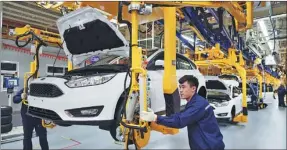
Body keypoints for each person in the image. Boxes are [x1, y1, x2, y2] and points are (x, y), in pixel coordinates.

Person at [140, 75, 225, 150]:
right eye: (180, 87)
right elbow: (180, 116)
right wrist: (156, 116)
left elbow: (180, 121)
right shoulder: (194, 101)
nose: (180, 90)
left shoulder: (199, 105)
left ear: (193, 89)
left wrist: (155, 118)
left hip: (209, 146)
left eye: (183, 87)